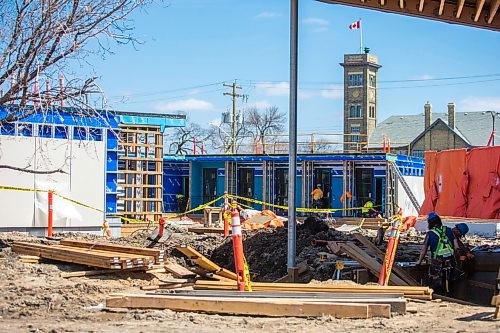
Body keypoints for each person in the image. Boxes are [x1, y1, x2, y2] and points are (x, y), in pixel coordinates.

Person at [416, 212, 459, 295]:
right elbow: (456, 247)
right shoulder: (449, 230)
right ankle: (451, 294)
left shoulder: (430, 234)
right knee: (452, 279)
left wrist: (419, 261)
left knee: (434, 280)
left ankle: (437, 295)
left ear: (429, 223)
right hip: (450, 259)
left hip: (437, 261)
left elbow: (424, 249)